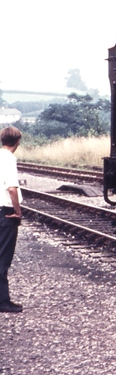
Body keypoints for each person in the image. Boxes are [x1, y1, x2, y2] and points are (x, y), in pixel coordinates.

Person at [0, 126, 23, 313]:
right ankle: (3, 301)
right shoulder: (9, 159)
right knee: (3, 259)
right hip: (6, 213)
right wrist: (18, 212)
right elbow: (12, 188)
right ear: (17, 142)